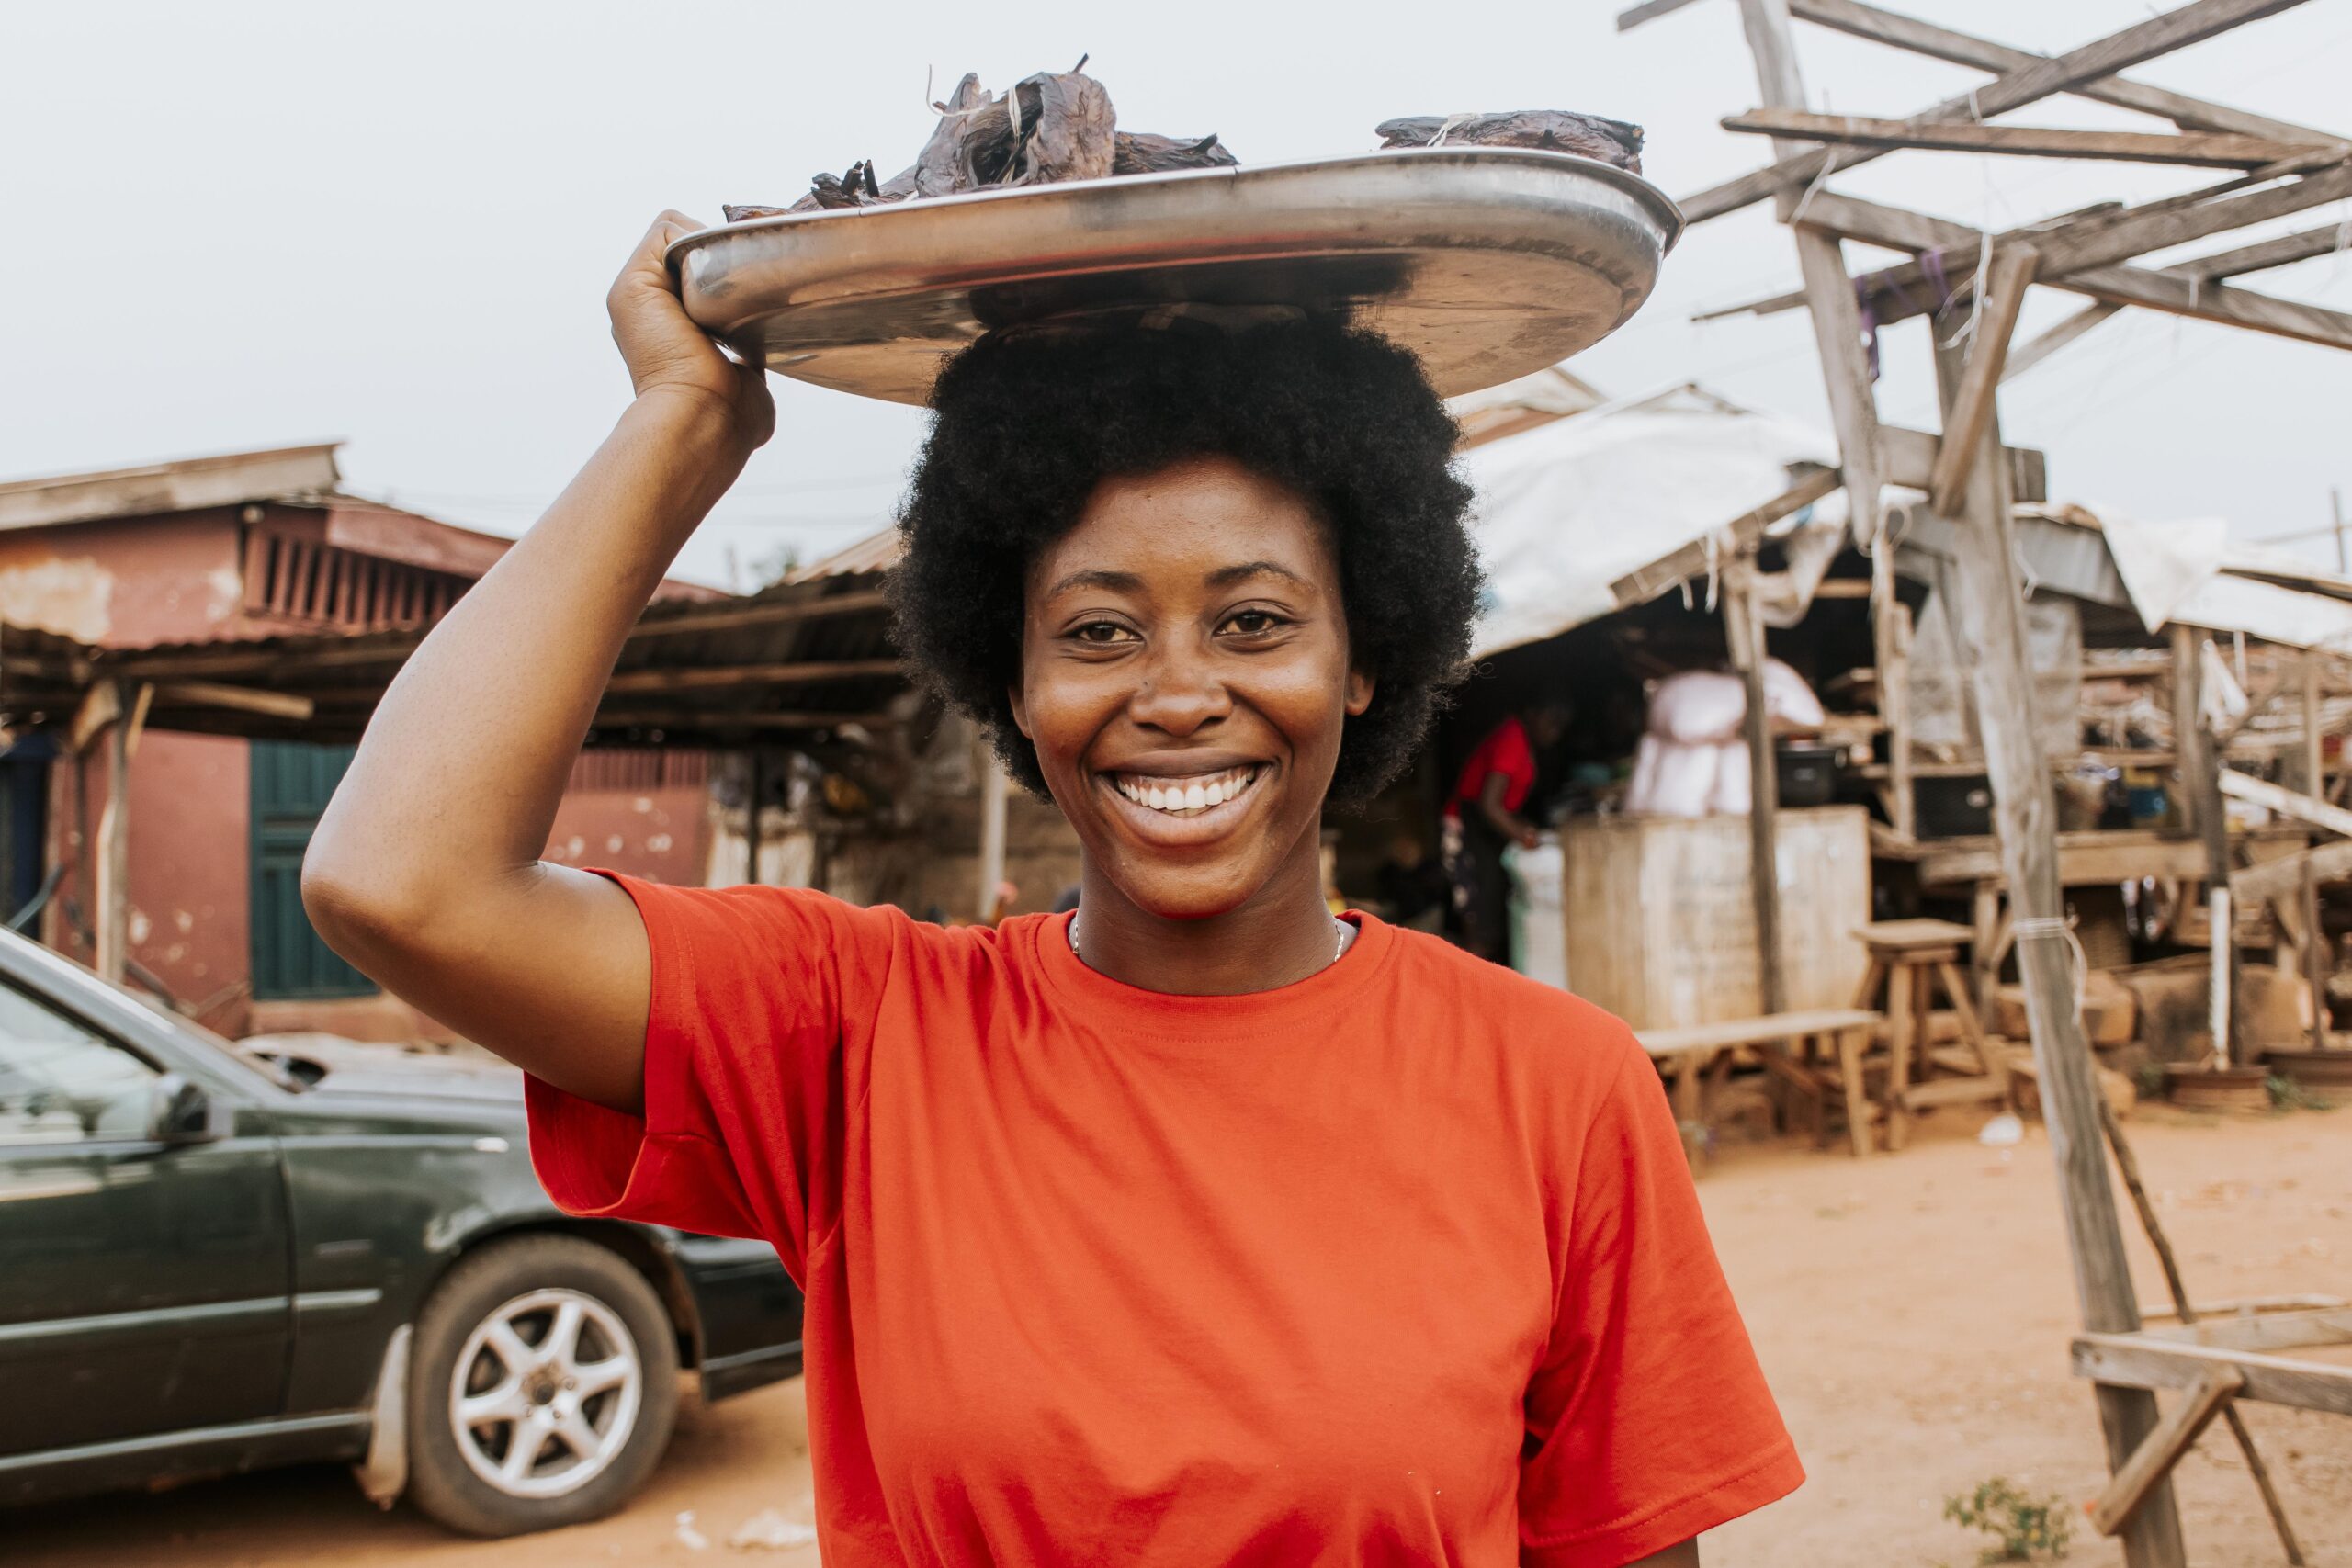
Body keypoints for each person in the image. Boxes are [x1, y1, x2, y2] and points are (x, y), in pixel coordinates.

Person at [302, 213, 1800, 1565]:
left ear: (1366, 658)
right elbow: (399, 879)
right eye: (1096, 632)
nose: (1177, 693)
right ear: (1008, 677)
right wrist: (685, 425)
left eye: (1256, 619)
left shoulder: (1554, 1086)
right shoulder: (865, 1040)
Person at [1444, 703, 1569, 964]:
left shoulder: (1522, 740)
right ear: (1532, 713)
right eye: (1551, 720)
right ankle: (1470, 990)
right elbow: (1490, 805)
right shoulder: (1512, 739)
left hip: (1485, 833)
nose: (1555, 731)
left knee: (1490, 915)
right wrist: (1525, 837)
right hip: (1468, 831)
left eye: (1560, 725)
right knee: (1480, 920)